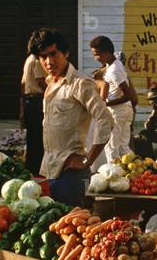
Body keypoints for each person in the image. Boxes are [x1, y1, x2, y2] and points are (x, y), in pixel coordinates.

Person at [30, 28, 112, 207]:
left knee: (72, 226)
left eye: (53, 54)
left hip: (71, 175)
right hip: (49, 170)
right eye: (43, 57)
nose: (49, 61)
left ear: (65, 53)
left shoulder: (80, 83)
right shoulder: (51, 83)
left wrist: (87, 160)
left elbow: (106, 120)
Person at [90, 36, 135, 163]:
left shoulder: (114, 70)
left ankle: (114, 178)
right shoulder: (115, 65)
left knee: (112, 149)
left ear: (107, 52)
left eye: (97, 54)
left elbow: (128, 95)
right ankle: (133, 176)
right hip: (124, 111)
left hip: (117, 113)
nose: (96, 58)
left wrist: (106, 103)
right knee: (123, 148)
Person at [20, 50, 47, 174]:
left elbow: (23, 84)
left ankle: (31, 167)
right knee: (38, 137)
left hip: (29, 100)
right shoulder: (36, 60)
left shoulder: (28, 60)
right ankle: (37, 168)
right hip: (36, 100)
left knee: (32, 138)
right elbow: (40, 80)